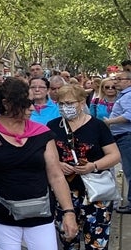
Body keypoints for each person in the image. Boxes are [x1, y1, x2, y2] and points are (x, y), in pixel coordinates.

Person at [0, 78, 78, 249]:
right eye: (26, 103)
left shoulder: (43, 134)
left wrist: (69, 212)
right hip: (1, 215)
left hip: (41, 213)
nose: (32, 108)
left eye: (32, 102)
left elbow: (56, 176)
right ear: (6, 103)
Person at [49, 85, 121, 250]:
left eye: (69, 103)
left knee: (97, 242)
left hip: (96, 192)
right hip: (65, 191)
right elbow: (46, 156)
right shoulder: (53, 126)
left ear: (81, 103)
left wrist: (93, 166)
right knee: (68, 239)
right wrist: (58, 165)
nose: (64, 107)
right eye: (60, 103)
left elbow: (114, 155)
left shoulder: (98, 126)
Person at [102, 71, 131, 213]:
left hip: (126, 136)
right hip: (122, 136)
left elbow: (129, 115)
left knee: (129, 170)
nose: (115, 82)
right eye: (116, 78)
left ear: (129, 81)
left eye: (120, 79)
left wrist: (109, 122)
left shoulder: (128, 96)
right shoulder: (124, 95)